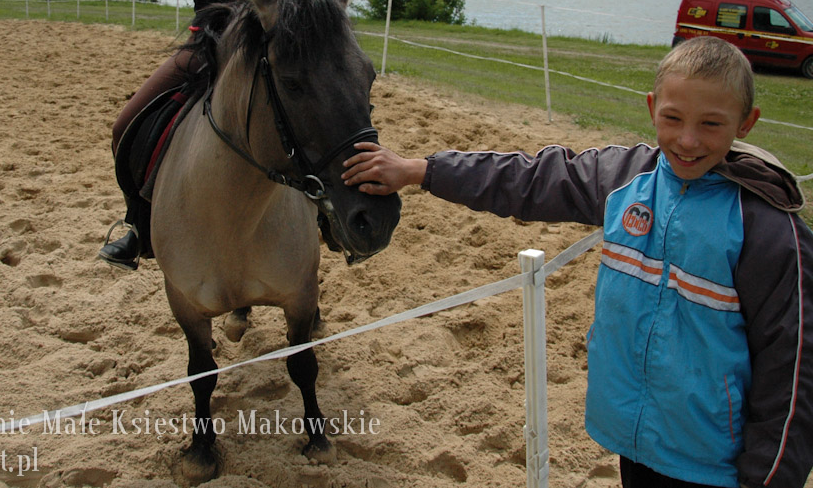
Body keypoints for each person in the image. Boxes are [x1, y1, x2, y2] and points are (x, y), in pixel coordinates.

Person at [341, 36, 812, 488]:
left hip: (714, 464)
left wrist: (768, 478)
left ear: (746, 123)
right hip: (634, 444)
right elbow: (531, 180)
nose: (688, 140)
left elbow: (793, 367)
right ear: (652, 108)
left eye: (711, 124)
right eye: (673, 118)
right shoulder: (628, 178)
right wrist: (420, 170)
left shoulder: (769, 231)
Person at [100, 0, 327, 269]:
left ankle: (334, 221)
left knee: (329, 125)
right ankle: (139, 226)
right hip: (208, 44)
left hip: (273, 50)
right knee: (124, 126)